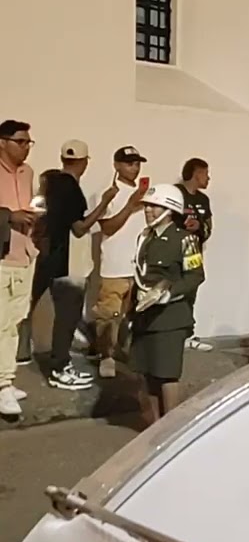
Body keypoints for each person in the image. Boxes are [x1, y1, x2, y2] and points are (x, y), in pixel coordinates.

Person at [18, 140, 107, 390]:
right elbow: (80, 228)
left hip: (45, 257)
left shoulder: (49, 185)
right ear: (84, 162)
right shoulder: (72, 189)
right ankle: (60, 369)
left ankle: (21, 355)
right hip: (68, 262)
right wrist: (104, 204)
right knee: (67, 318)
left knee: (26, 307)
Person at [129, 184, 205, 424]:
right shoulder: (145, 238)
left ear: (170, 209)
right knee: (147, 372)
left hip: (170, 316)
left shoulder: (185, 240)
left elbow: (195, 276)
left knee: (166, 373)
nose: (148, 210)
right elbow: (140, 276)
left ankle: (171, 427)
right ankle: (154, 427)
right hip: (145, 313)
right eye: (148, 206)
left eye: (155, 206)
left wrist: (169, 293)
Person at [89, 146, 149, 379]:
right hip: (114, 265)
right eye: (129, 163)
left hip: (138, 265)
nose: (134, 168)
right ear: (116, 165)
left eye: (137, 163)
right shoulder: (108, 193)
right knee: (108, 315)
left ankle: (123, 351)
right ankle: (106, 356)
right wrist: (131, 205)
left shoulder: (145, 192)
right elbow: (108, 227)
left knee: (131, 314)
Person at [0, 121, 40, 414]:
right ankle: (2, 386)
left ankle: (6, 379)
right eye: (20, 141)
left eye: (29, 142)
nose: (26, 147)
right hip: (1, 257)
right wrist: (8, 216)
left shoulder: (28, 173)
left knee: (14, 322)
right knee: (1, 324)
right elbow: (10, 214)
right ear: (3, 142)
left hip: (23, 254)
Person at [178, 157, 214, 352]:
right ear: (197, 173)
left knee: (191, 291)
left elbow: (209, 226)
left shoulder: (203, 200)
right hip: (174, 254)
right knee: (175, 292)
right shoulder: (175, 194)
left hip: (194, 254)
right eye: (206, 174)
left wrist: (199, 226)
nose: (208, 178)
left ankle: (188, 334)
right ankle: (174, 334)